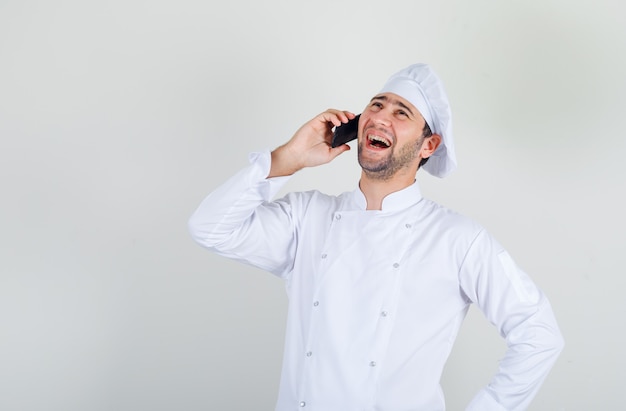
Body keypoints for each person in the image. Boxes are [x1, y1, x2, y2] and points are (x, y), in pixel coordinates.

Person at [188, 63, 564, 411]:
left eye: (401, 112)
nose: (380, 117)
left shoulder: (456, 239)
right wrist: (290, 156)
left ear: (428, 145)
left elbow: (539, 333)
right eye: (376, 105)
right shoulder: (307, 217)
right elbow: (210, 227)